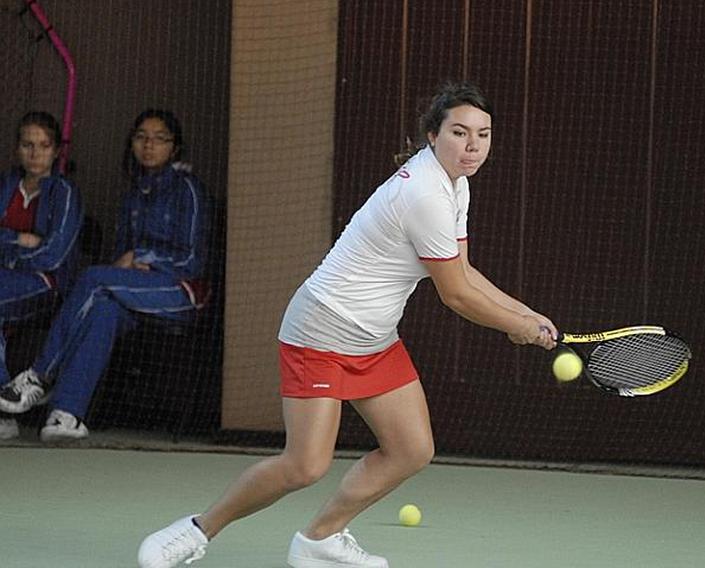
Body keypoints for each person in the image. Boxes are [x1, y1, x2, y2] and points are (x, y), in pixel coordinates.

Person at [136, 81, 557, 568]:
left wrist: (523, 313)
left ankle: (320, 539)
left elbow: (463, 269)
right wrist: (514, 326)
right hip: (321, 328)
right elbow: (456, 294)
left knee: (411, 449)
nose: (472, 146)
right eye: (459, 133)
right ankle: (195, 530)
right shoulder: (425, 193)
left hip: (372, 338)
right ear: (431, 136)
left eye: (482, 135)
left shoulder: (453, 184)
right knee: (304, 465)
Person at [0, 109, 209, 442]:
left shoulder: (188, 189)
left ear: (175, 147)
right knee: (103, 309)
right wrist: (127, 266)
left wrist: (143, 258)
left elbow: (193, 261)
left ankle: (38, 376)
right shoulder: (132, 196)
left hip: (178, 294)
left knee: (96, 278)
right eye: (141, 137)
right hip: (133, 291)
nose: (149, 145)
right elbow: (120, 262)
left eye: (159, 139)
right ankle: (67, 415)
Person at [0, 111, 83, 440]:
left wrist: (6, 255)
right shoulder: (6, 185)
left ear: (57, 151)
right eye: (27, 145)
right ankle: (5, 415)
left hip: (47, 286)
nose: (35, 153)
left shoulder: (63, 192)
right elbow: (29, 245)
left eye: (44, 145)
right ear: (17, 148)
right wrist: (17, 239)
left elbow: (53, 255)